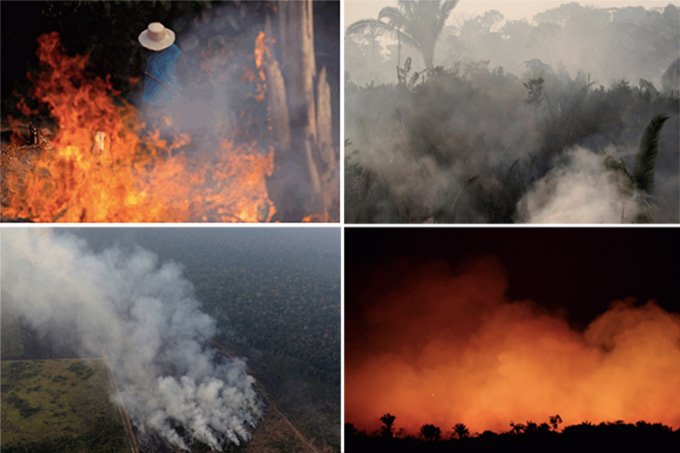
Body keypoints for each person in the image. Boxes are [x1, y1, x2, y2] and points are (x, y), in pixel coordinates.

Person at [138, 22, 181, 108]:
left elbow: (183, 72)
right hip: (154, 97)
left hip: (167, 96)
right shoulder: (175, 51)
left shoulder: (175, 52)